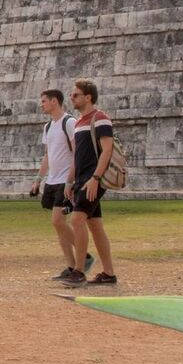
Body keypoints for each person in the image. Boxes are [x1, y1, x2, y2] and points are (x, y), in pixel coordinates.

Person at [60, 79, 118, 286]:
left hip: (93, 179)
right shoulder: (78, 123)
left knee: (76, 220)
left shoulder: (100, 118)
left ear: (88, 97)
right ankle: (109, 274)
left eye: (76, 94)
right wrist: (69, 182)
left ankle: (78, 271)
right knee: (95, 226)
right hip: (82, 179)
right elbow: (77, 155)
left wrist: (95, 179)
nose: (72, 98)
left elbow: (107, 150)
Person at [30, 89, 91, 280]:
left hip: (65, 179)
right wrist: (38, 180)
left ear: (54, 101)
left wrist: (70, 181)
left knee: (57, 220)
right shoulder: (48, 127)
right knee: (58, 225)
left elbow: (77, 153)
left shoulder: (69, 122)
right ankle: (71, 266)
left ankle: (85, 257)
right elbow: (48, 155)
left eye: (44, 101)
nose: (42, 104)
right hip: (52, 180)